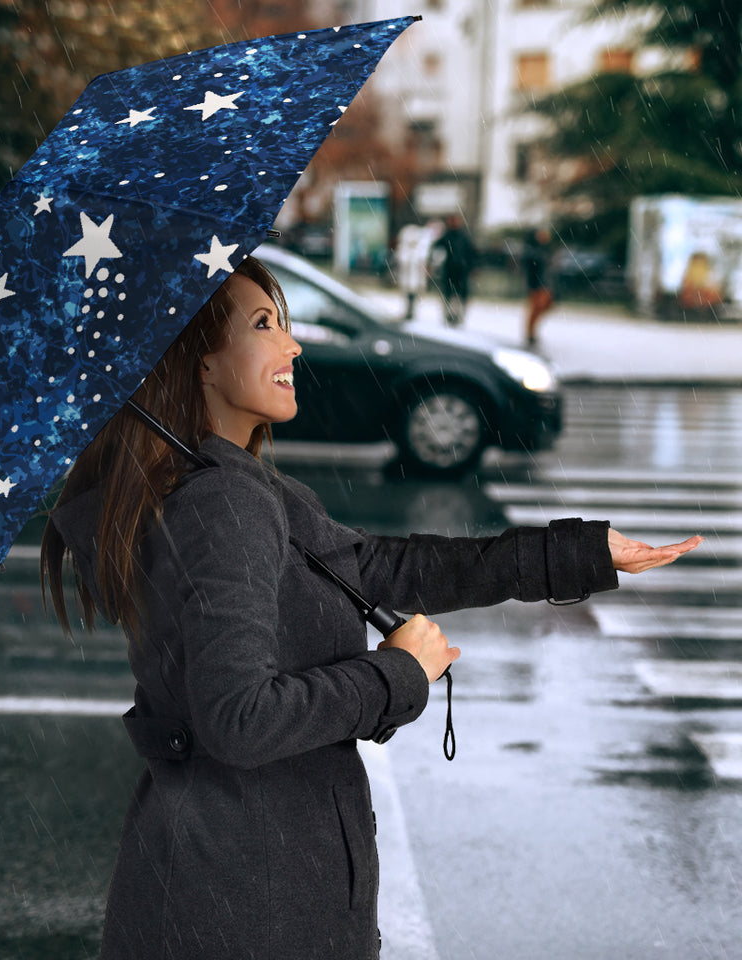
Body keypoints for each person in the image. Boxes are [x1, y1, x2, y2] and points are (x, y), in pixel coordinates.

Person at [41, 256, 701, 960]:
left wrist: (578, 554)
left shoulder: (233, 488)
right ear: (198, 363)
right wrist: (395, 673)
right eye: (264, 325)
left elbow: (385, 567)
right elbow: (239, 720)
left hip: (234, 884)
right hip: (248, 903)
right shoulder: (221, 504)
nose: (292, 345)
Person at [430, 213, 477, 327]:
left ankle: (457, 316)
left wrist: (472, 267)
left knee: (459, 295)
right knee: (449, 294)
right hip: (450, 270)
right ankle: (449, 315)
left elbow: (472, 253)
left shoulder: (463, 237)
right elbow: (436, 249)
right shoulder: (447, 236)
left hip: (461, 271)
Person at [523, 226, 554, 347]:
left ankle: (532, 331)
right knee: (536, 308)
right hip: (536, 284)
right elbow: (532, 265)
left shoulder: (545, 249)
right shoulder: (532, 250)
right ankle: (530, 333)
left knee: (544, 306)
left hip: (545, 283)